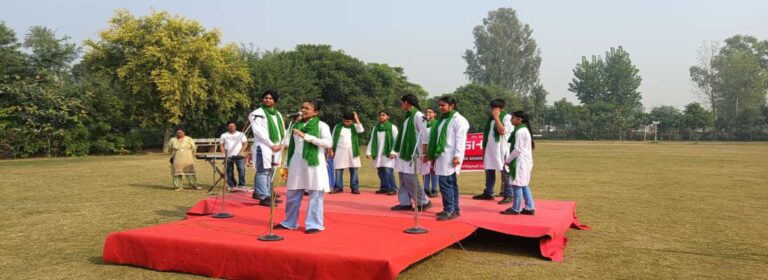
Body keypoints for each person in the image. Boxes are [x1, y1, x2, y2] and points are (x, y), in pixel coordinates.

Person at [274, 100, 332, 234]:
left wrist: (307, 136)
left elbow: (328, 143)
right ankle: (289, 222)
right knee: (292, 193)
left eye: (307, 108)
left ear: (315, 112)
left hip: (314, 165)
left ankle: (314, 224)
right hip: (297, 164)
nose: (303, 110)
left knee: (315, 194)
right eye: (302, 107)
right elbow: (289, 144)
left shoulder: (322, 125)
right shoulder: (295, 125)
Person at [427, 96, 469, 221]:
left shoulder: (459, 120)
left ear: (452, 106)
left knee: (446, 184)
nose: (440, 108)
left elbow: (460, 140)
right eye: (439, 105)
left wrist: (457, 156)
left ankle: (449, 210)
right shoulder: (442, 120)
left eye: (443, 105)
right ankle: (453, 209)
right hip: (442, 155)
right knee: (450, 184)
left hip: (450, 156)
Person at [391, 94, 431, 211]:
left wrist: (424, 152)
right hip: (403, 152)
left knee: (410, 178)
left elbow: (424, 136)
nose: (401, 105)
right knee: (402, 177)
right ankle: (405, 202)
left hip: (413, 152)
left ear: (407, 103)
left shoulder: (418, 116)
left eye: (402, 103)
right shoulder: (408, 117)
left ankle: (423, 201)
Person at [473, 99, 514, 204]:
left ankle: (509, 194)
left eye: (494, 108)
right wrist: (484, 149)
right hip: (491, 149)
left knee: (505, 172)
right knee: (489, 170)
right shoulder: (490, 120)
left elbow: (501, 131)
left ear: (501, 108)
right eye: (491, 108)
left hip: (502, 149)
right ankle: (488, 192)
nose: (491, 110)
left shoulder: (507, 118)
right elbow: (487, 136)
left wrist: (496, 117)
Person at [248, 90, 285, 207]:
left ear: (274, 100)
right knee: (263, 171)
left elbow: (282, 131)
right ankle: (264, 196)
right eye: (266, 98)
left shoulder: (278, 114)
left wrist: (281, 144)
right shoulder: (257, 113)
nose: (268, 100)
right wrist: (271, 144)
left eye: (270, 98)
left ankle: (268, 193)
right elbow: (259, 132)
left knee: (271, 171)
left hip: (276, 147)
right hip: (263, 146)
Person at [501, 111, 536, 215]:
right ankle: (530, 207)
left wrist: (508, 160)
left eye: (513, 118)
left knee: (517, 185)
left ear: (519, 120)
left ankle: (516, 208)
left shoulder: (520, 132)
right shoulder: (523, 130)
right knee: (524, 185)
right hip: (525, 161)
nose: (511, 119)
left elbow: (517, 149)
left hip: (520, 162)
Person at [329, 112, 365, 194]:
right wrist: (331, 149)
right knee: (338, 169)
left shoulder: (355, 126)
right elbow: (332, 137)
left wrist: (356, 118)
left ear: (352, 121)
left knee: (354, 169)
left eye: (348, 121)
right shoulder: (337, 126)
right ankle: (338, 187)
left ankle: (355, 187)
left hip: (352, 151)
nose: (346, 123)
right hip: (339, 151)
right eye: (345, 121)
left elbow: (361, 130)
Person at [366, 111, 399, 195]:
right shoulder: (375, 128)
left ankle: (392, 188)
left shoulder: (392, 127)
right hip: (378, 152)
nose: (381, 117)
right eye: (380, 115)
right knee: (380, 171)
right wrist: (368, 151)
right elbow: (372, 139)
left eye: (383, 115)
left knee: (388, 171)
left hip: (388, 153)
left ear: (388, 117)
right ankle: (384, 187)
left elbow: (397, 140)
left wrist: (394, 152)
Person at [220, 122, 248, 190]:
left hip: (239, 156)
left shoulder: (241, 134)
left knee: (241, 169)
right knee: (229, 171)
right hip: (229, 156)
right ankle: (232, 184)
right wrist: (223, 154)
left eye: (233, 126)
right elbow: (221, 145)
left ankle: (242, 184)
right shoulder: (224, 135)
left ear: (235, 127)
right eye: (230, 126)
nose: (232, 127)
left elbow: (245, 144)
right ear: (227, 127)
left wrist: (241, 151)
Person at [421, 108, 439, 198]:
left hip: (434, 150)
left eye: (430, 112)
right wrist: (424, 152)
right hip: (425, 149)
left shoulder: (438, 124)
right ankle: (426, 189)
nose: (428, 113)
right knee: (425, 170)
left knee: (433, 170)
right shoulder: (423, 124)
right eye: (426, 112)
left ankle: (434, 189)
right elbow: (423, 139)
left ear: (435, 114)